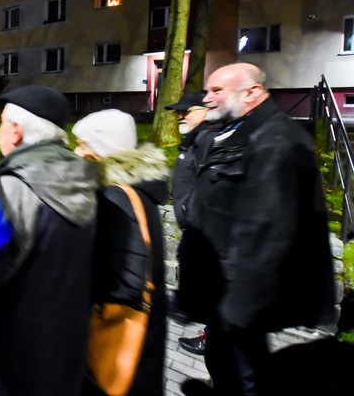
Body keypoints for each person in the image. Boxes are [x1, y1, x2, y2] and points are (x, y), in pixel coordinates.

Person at [178, 63, 336, 396]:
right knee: (226, 368)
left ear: (251, 92)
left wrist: (240, 308)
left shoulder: (275, 140)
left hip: (241, 297)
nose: (206, 98)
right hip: (225, 291)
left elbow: (268, 230)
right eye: (208, 90)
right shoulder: (240, 130)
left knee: (244, 376)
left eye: (216, 91)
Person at [0, 85, 99, 395]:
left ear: (15, 132)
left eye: (2, 122)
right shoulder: (87, 180)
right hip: (60, 362)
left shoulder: (8, 190)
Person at [71, 109, 169, 396]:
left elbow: (122, 279)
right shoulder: (138, 188)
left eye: (84, 144)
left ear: (103, 149)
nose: (77, 151)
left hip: (118, 337)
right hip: (145, 337)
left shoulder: (115, 198)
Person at [164, 92, 222, 356]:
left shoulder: (209, 139)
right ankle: (203, 324)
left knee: (214, 286)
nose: (179, 116)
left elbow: (212, 185)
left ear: (205, 111)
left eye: (185, 112)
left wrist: (189, 210)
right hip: (195, 227)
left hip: (205, 229)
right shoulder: (195, 138)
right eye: (178, 112)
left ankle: (213, 339)